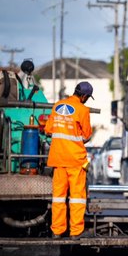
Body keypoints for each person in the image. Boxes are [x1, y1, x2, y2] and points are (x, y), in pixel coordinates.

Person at [44, 81, 94, 239]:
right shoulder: (83, 110)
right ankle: (75, 233)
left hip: (58, 159)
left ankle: (57, 231)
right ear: (84, 96)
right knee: (77, 198)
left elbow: (48, 130)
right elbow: (86, 136)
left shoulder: (57, 105)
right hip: (75, 160)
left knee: (58, 197)